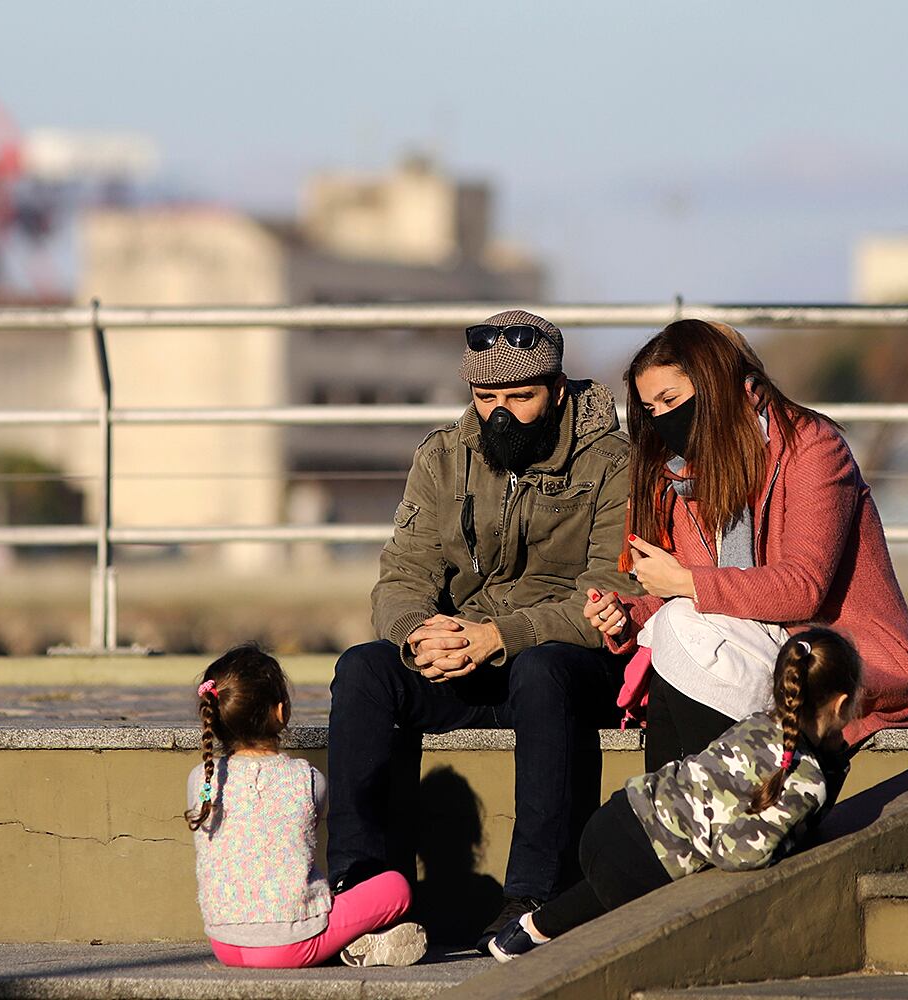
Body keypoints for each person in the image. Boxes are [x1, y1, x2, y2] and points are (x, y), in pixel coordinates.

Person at [327, 309, 636, 951]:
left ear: (555, 391)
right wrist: (417, 633)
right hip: (464, 655)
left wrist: (501, 635)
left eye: (520, 397)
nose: (500, 413)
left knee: (542, 668)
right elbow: (402, 573)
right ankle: (362, 891)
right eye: (486, 397)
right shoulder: (442, 457)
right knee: (363, 669)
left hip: (565, 660)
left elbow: (611, 592)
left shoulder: (613, 462)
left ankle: (533, 897)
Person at [584, 319, 908, 770]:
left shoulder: (813, 450)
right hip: (744, 645)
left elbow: (804, 588)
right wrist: (626, 617)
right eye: (650, 409)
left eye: (670, 400)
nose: (661, 419)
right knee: (674, 620)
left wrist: (685, 582)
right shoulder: (681, 474)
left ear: (714, 383)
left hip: (834, 656)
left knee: (680, 621)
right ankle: (686, 805)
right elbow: (686, 595)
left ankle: (691, 803)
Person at [488, 627, 860, 961]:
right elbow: (738, 853)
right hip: (642, 863)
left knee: (603, 889)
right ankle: (542, 940)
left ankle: (526, 932)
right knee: (636, 904)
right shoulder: (806, 779)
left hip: (612, 820)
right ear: (842, 704)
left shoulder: (754, 723)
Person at [186, 643, 427, 969]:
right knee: (395, 886)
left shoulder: (200, 779)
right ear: (281, 711)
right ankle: (354, 942)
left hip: (224, 943)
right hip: (289, 945)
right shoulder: (308, 779)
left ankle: (356, 942)